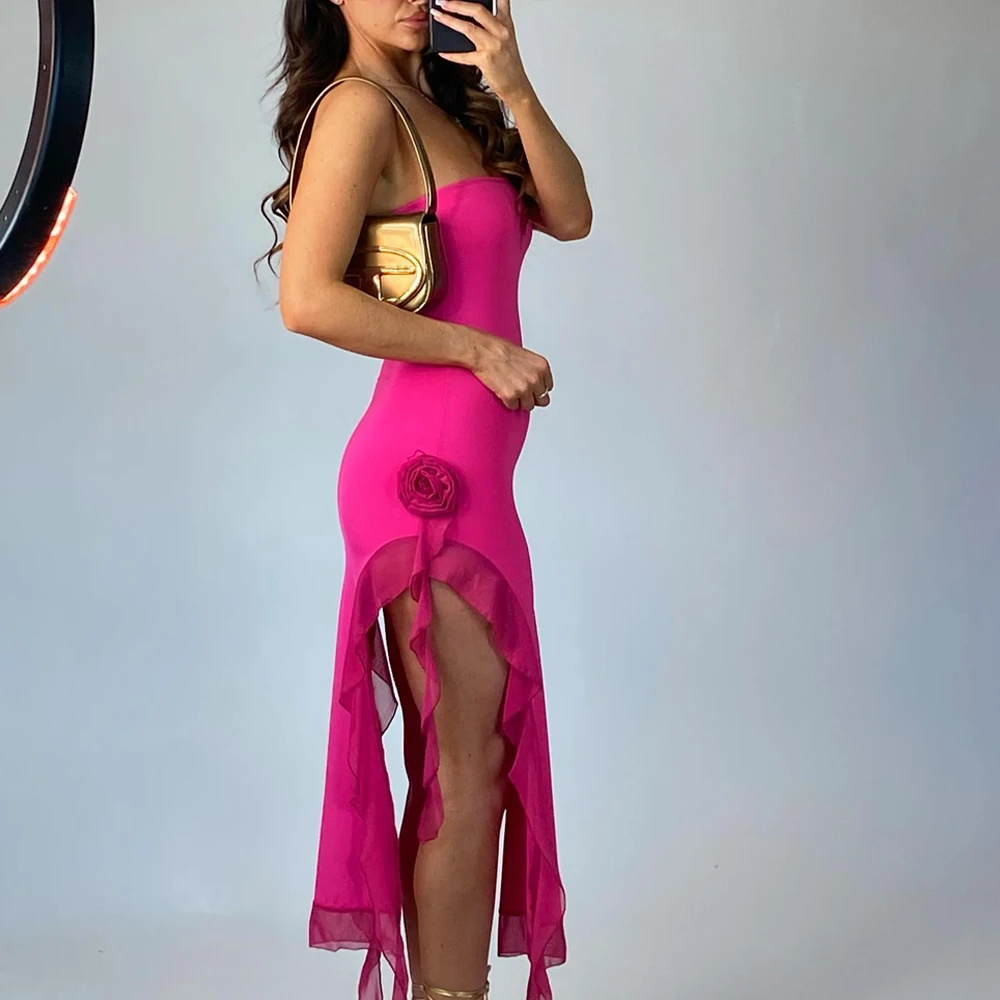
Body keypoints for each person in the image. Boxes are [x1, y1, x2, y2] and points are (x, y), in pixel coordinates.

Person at [258, 2, 591, 998]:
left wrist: (513, 84)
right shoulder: (359, 107)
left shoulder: (440, 102)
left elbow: (571, 213)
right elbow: (307, 297)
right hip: (423, 480)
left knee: (475, 760)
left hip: (477, 481)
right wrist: (476, 349)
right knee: (462, 766)